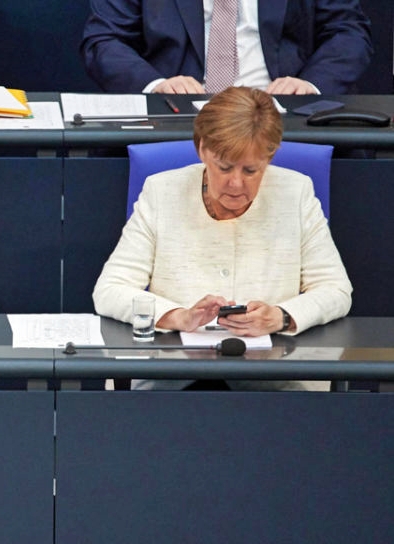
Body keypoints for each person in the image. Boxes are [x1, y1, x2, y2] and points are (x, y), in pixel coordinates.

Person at [92, 87, 352, 388]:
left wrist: (281, 317)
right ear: (202, 149)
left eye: (251, 170)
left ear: (270, 155)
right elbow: (110, 290)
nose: (236, 184)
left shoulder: (296, 192)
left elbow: (335, 290)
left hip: (275, 379)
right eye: (224, 167)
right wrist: (177, 316)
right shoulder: (161, 191)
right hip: (171, 378)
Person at [80, 0, 373, 95]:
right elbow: (104, 39)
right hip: (177, 115)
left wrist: (309, 85)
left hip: (280, 112)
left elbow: (348, 32)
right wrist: (157, 85)